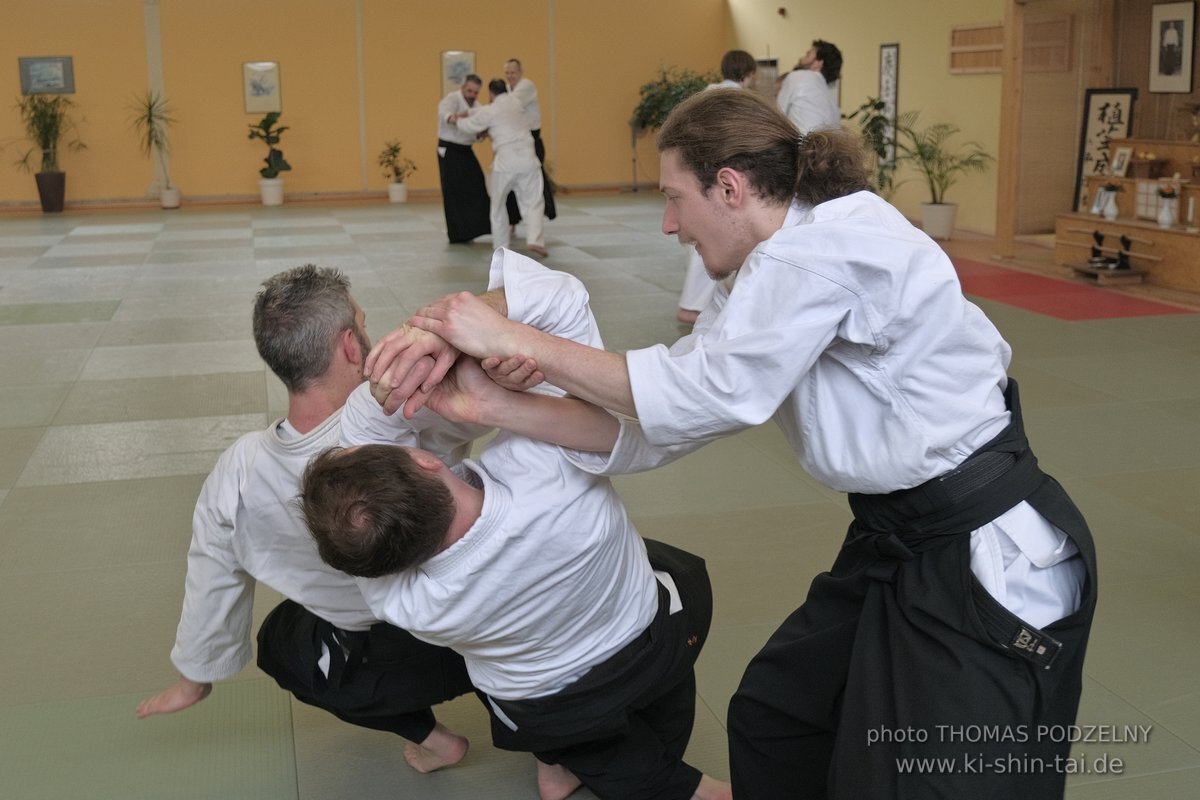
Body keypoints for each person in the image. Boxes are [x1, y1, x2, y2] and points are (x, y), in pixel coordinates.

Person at [368, 89, 1098, 800]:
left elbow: (700, 394)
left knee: (943, 777)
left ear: (728, 187)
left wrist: (514, 338)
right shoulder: (761, 273)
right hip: (894, 535)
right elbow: (661, 423)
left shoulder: (826, 249)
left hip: (978, 548)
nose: (666, 224)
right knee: (780, 718)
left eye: (673, 197)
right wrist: (497, 403)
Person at [304, 249, 730, 800]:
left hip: (541, 707)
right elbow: (562, 298)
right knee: (671, 586)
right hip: (647, 646)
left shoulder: (399, 599)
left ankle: (560, 763)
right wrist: (437, 338)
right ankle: (684, 786)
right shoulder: (546, 461)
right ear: (426, 462)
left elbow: (362, 464)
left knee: (552, 712)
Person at [135, 265, 479, 776]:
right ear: (350, 345)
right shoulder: (411, 407)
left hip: (387, 657)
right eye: (362, 321)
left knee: (281, 643)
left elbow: (212, 569)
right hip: (482, 627)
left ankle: (433, 739)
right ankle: (549, 745)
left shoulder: (240, 468)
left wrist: (195, 675)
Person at [677, 49, 757, 325]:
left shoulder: (705, 94)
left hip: (696, 172)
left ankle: (696, 304)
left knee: (702, 239)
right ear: (749, 74)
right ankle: (692, 306)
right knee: (713, 238)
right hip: (722, 177)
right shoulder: (742, 99)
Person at [451, 79, 547, 256]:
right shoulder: (517, 103)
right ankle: (535, 240)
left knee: (498, 205)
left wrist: (456, 120)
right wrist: (471, 111)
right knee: (533, 202)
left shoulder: (490, 110)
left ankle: (501, 246)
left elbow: (471, 125)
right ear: (506, 90)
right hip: (528, 159)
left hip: (505, 162)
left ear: (491, 94)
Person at [437, 74, 492, 243]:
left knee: (477, 185)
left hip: (465, 150)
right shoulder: (452, 99)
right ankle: (457, 234)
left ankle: (473, 229)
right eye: (469, 91)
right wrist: (458, 117)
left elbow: (477, 134)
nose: (472, 95)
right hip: (449, 149)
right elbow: (445, 115)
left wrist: (482, 132)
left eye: (475, 92)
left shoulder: (477, 107)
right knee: (453, 191)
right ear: (463, 87)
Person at [504, 57, 557, 221]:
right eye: (507, 73)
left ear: (520, 72)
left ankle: (543, 211)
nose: (510, 75)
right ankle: (513, 218)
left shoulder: (526, 86)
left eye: (513, 72)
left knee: (536, 178)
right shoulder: (506, 89)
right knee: (509, 178)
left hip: (531, 139)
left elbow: (510, 106)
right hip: (513, 140)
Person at [776, 38, 843, 134]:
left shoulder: (798, 76)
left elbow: (778, 117)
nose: (801, 58)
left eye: (808, 54)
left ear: (818, 63)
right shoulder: (833, 105)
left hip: (799, 147)